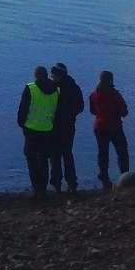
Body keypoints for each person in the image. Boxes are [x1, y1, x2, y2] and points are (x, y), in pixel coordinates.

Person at [16, 66, 59, 197]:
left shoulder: (30, 88)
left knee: (32, 160)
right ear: (47, 75)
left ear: (36, 76)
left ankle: (36, 188)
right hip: (47, 129)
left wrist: (21, 124)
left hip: (31, 130)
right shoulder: (56, 90)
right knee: (44, 160)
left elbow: (23, 109)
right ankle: (43, 188)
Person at [89, 70, 130, 187]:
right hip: (114, 126)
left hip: (99, 126)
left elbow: (92, 111)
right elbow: (124, 111)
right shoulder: (115, 94)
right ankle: (124, 175)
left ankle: (104, 176)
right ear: (111, 80)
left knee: (103, 152)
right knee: (122, 151)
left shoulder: (94, 94)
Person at [48, 62, 85, 193]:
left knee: (55, 155)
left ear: (59, 75)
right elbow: (81, 106)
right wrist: (71, 114)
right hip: (69, 126)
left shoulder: (52, 88)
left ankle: (57, 184)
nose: (52, 77)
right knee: (67, 154)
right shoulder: (75, 87)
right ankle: (72, 183)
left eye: (53, 75)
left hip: (55, 126)